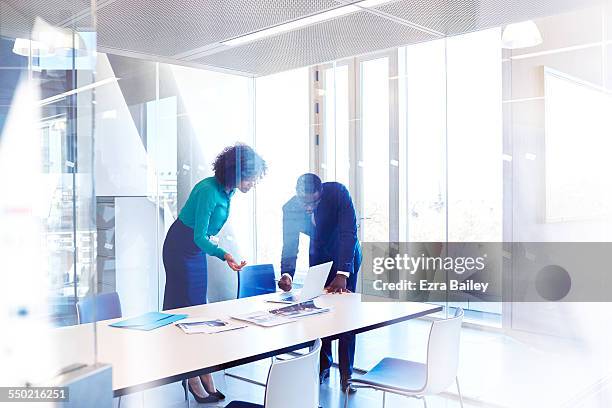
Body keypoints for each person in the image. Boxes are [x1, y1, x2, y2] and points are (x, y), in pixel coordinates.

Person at [162, 143, 266, 403]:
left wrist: (218, 248)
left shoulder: (227, 191)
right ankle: (191, 376)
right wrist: (225, 255)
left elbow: (205, 234)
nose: (253, 182)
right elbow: (199, 236)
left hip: (195, 250)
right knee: (185, 315)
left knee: (199, 312)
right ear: (236, 172)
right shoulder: (209, 190)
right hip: (180, 248)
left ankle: (204, 372)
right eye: (251, 176)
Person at [279, 173, 361, 394]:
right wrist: (287, 274)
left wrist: (343, 272)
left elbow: (348, 233)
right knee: (317, 313)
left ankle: (347, 376)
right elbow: (289, 244)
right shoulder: (290, 208)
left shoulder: (338, 193)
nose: (309, 207)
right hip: (319, 258)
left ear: (321, 193)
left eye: (314, 202)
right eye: (305, 202)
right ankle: (323, 366)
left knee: (345, 317)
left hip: (346, 254)